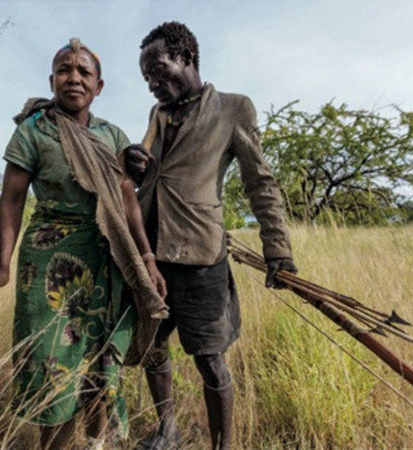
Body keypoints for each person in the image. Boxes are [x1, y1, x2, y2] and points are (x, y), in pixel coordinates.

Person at [0, 38, 169, 450]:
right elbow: (11, 200)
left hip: (106, 258)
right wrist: (2, 266)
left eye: (84, 72)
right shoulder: (34, 129)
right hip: (48, 267)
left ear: (99, 87)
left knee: (99, 361)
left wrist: (147, 258)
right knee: (54, 364)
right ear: (51, 81)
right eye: (65, 69)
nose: (73, 78)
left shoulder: (111, 135)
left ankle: (96, 444)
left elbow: (126, 201)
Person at [125, 22, 298, 450]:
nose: (152, 83)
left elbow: (261, 183)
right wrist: (132, 163)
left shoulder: (234, 108)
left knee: (209, 359)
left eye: (158, 70)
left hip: (201, 254)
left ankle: (223, 446)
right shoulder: (157, 115)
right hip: (149, 251)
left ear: (185, 57)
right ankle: (168, 429)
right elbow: (153, 174)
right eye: (146, 77)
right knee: (150, 346)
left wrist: (277, 249)